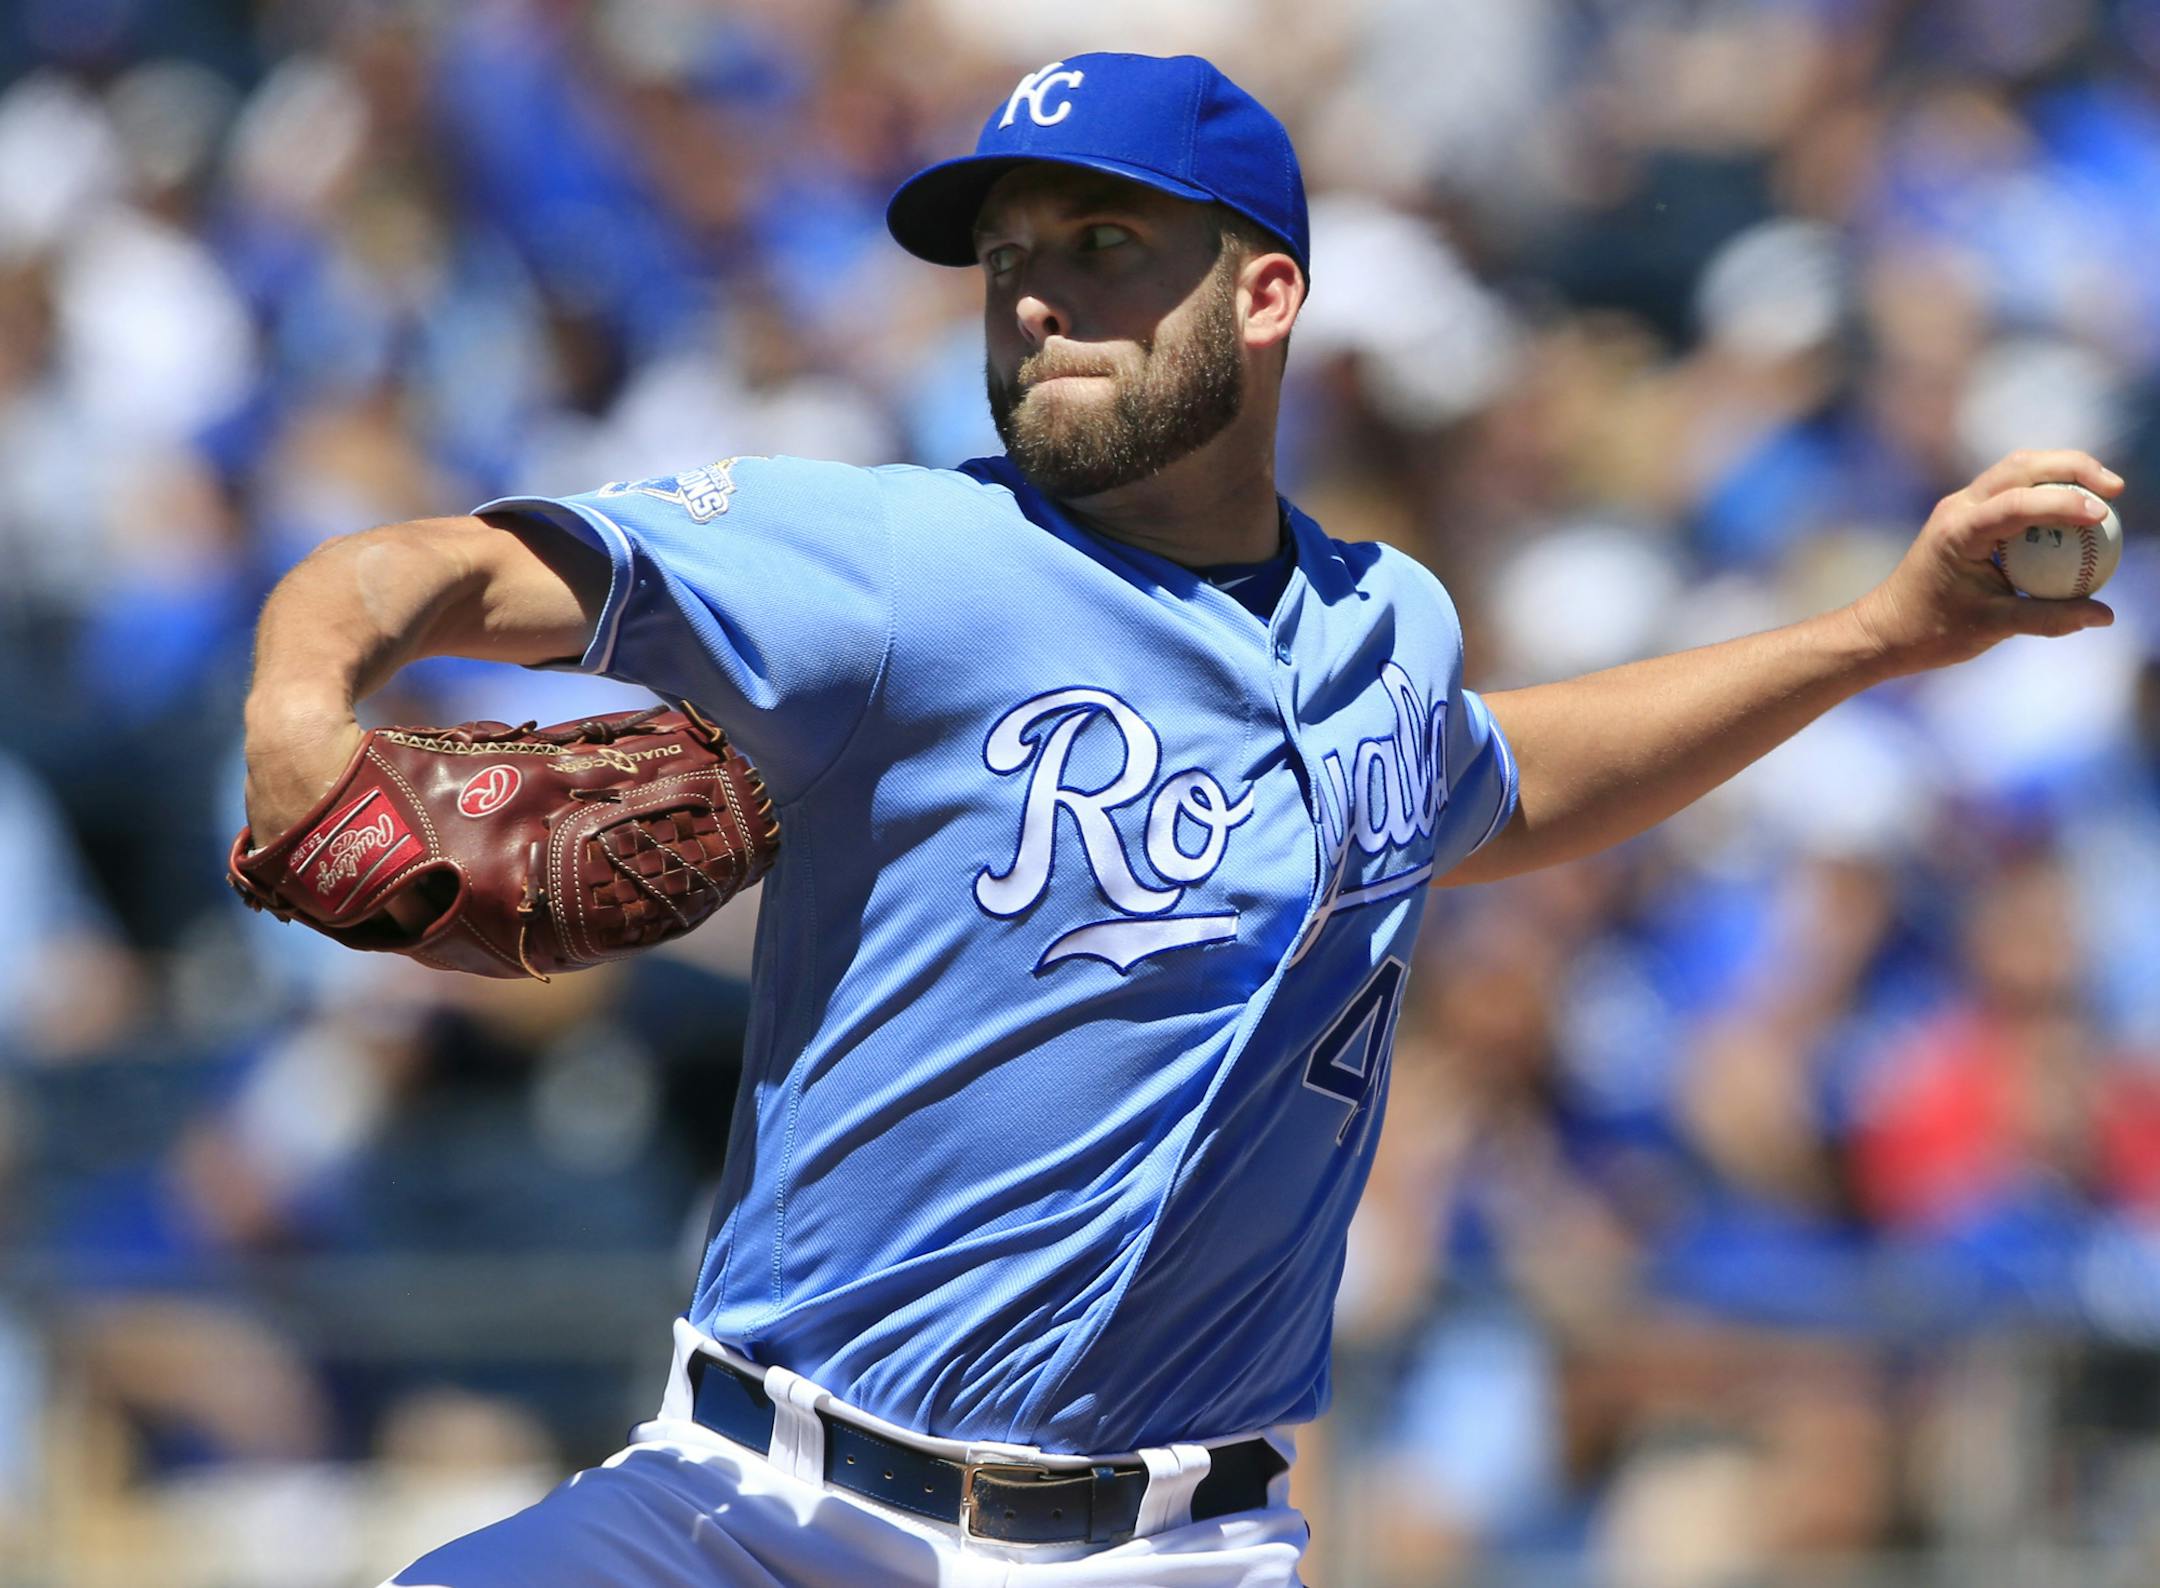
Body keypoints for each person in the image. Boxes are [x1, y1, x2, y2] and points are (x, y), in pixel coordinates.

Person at [238, 51, 2119, 1588]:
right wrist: (301, 714)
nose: (1037, 292)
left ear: (1268, 292)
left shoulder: (1389, 635)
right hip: (750, 1517)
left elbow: (1503, 779)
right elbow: (421, 569)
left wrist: (1882, 636)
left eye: (1106, 240)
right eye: (1008, 255)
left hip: (1173, 1551)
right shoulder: (910, 559)